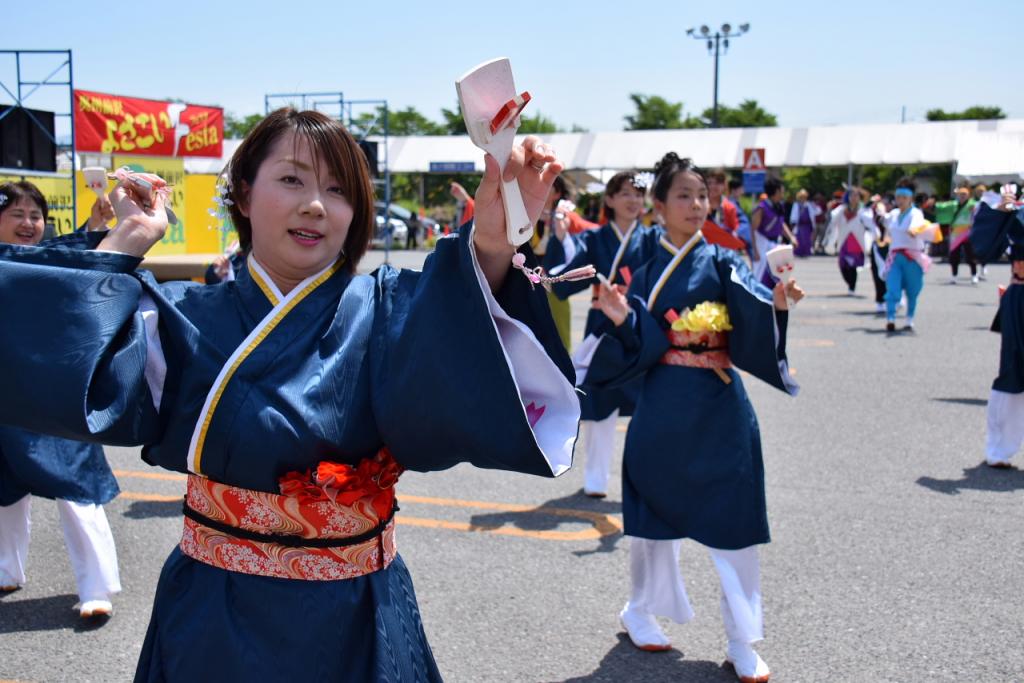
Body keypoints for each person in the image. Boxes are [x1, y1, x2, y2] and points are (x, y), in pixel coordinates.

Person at [0, 109, 581, 681]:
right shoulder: (181, 317)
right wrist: (127, 237)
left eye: (337, 189)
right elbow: (65, 367)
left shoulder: (380, 309)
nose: (315, 204)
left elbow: (452, 325)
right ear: (244, 194)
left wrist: (493, 239)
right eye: (292, 180)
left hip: (356, 612)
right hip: (216, 611)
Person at [581, 153, 802, 683]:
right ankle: (639, 609)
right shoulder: (647, 266)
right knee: (655, 515)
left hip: (720, 404)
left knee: (736, 518)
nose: (698, 205)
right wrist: (623, 316)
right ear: (659, 206)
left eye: (703, 196)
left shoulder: (723, 258)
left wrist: (775, 301)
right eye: (684, 195)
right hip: (664, 403)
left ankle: (741, 637)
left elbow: (749, 299)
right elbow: (639, 336)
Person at [0, 181, 122, 619]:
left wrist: (94, 225)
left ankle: (96, 588)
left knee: (75, 487)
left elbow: (73, 253)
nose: (30, 223)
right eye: (18, 214)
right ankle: (5, 570)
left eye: (36, 215)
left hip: (51, 395)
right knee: (3, 491)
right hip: (4, 399)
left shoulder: (45, 260)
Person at [543, 170, 656, 497]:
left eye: (638, 194)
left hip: (639, 324)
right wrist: (563, 238)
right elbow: (564, 277)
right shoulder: (595, 239)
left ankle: (648, 477)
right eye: (625, 194)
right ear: (609, 200)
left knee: (651, 401)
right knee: (602, 402)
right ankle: (596, 478)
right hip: (604, 325)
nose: (633, 200)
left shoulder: (652, 238)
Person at [969, 201, 1024, 468]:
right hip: (1021, 298)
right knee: (1013, 370)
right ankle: (999, 449)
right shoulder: (1019, 212)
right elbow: (985, 247)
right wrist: (1001, 213)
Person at [532, 175, 598, 349]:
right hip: (526, 282)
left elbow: (597, 233)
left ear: (557, 193)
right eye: (537, 183)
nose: (540, 187)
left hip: (553, 284)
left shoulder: (564, 216)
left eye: (547, 185)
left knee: (559, 334)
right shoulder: (526, 214)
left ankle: (563, 372)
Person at [882, 178, 939, 332]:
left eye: (904, 197)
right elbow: (884, 220)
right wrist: (878, 211)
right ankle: (891, 317)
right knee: (892, 288)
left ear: (911, 199)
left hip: (913, 258)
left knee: (912, 290)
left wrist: (914, 230)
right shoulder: (893, 214)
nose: (900, 200)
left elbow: (918, 224)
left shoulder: (915, 213)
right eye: (898, 197)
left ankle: (909, 318)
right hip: (895, 257)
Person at [826, 188, 881, 303]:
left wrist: (877, 235)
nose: (854, 198)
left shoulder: (863, 211)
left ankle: (852, 286)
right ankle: (850, 283)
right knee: (842, 265)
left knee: (852, 265)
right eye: (852, 195)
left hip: (856, 241)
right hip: (844, 240)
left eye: (856, 196)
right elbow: (833, 220)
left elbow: (870, 223)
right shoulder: (842, 209)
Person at [751, 178, 798, 287]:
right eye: (781, 191)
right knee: (760, 274)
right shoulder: (762, 208)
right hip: (762, 244)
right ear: (775, 191)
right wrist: (755, 250)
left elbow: (780, 224)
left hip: (774, 244)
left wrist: (791, 237)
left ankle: (777, 299)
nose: (783, 193)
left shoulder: (778, 206)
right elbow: (752, 230)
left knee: (779, 273)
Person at [934, 184, 979, 284]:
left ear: (968, 195)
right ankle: (954, 275)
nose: (962, 196)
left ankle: (974, 275)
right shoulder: (953, 205)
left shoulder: (972, 204)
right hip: (955, 233)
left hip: (968, 232)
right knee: (954, 256)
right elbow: (942, 207)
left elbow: (978, 210)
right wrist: (934, 204)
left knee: (970, 255)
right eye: (960, 194)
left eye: (964, 194)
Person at [788, 189, 819, 258]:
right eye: (802, 197)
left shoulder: (809, 205)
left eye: (804, 197)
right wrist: (793, 224)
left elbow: (817, 212)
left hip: (807, 226)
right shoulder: (796, 205)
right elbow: (794, 215)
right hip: (799, 226)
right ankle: (798, 253)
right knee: (799, 239)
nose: (803, 198)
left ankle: (806, 252)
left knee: (807, 240)